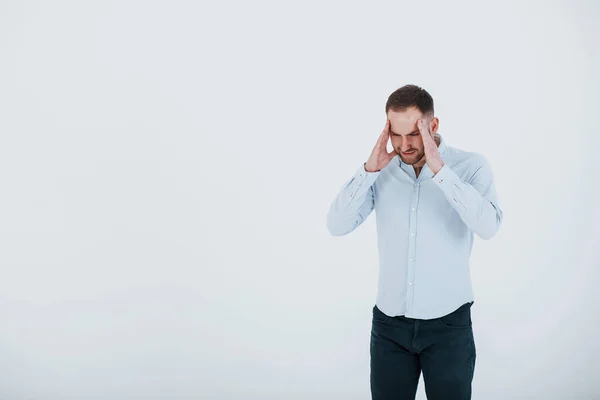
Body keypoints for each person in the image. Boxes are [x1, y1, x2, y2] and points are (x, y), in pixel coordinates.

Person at [326, 85, 503, 400]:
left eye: (413, 134)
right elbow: (337, 225)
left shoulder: (471, 166)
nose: (404, 145)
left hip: (449, 326)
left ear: (432, 126)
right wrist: (369, 170)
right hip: (389, 328)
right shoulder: (381, 171)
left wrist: (440, 171)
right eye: (396, 134)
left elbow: (488, 227)